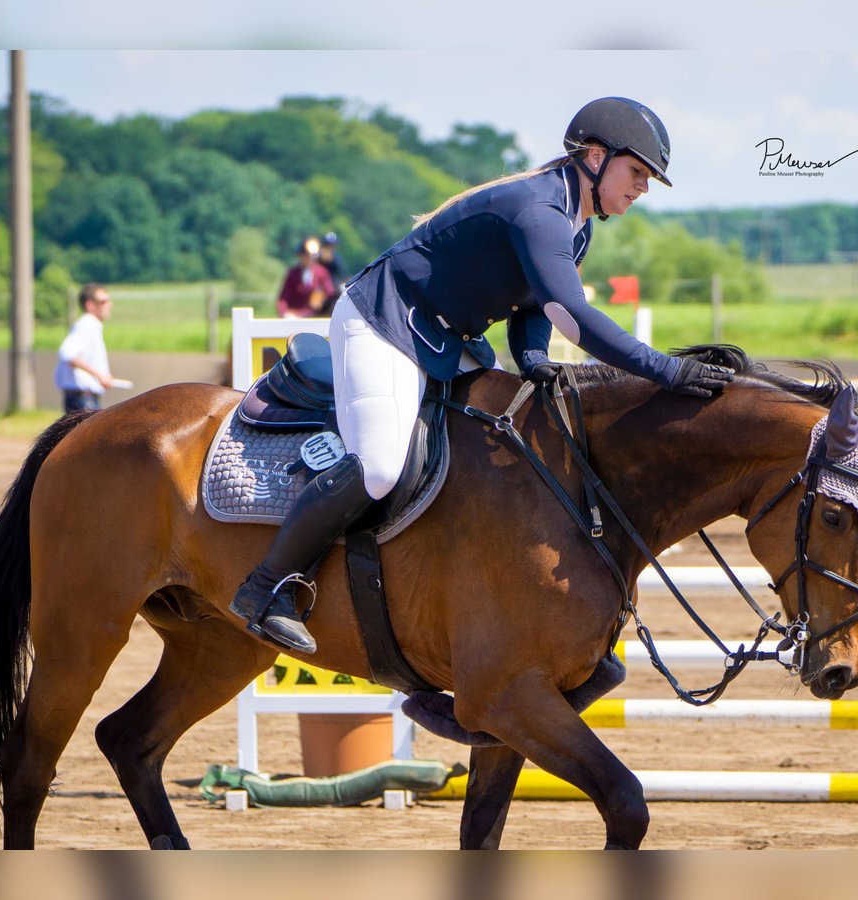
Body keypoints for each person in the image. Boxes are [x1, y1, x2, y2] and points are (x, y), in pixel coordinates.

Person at [229, 96, 735, 653]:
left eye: (646, 179)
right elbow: (574, 316)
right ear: (595, 155)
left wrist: (535, 359)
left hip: (447, 336)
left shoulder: (577, 223)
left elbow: (535, 312)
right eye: (636, 172)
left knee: (501, 441)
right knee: (378, 467)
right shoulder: (539, 211)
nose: (641, 188)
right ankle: (266, 587)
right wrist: (666, 370)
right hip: (384, 320)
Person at [54, 283, 115, 413]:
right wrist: (99, 375)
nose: (109, 305)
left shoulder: (91, 325)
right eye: (104, 301)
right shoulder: (88, 324)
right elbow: (68, 354)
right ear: (90, 305)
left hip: (83, 398)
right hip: (83, 399)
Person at [276, 237, 335, 318]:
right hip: (294, 316)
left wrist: (322, 299)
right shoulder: (293, 273)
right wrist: (284, 313)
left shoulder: (322, 272)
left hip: (316, 317)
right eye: (306, 255)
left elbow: (330, 294)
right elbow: (283, 298)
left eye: (311, 256)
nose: (309, 258)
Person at [317, 231, 348, 317]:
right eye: (327, 245)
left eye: (331, 245)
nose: (329, 248)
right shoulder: (316, 256)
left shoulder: (336, 258)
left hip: (331, 286)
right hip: (317, 285)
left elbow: (343, 275)